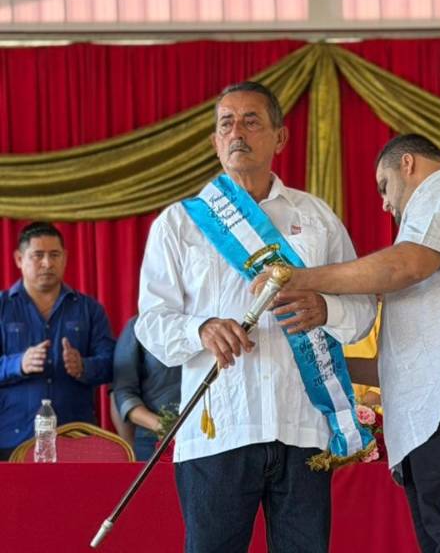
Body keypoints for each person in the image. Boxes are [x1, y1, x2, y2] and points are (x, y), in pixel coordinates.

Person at [252, 134, 440, 553]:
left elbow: (405, 266)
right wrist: (323, 362)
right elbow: (399, 361)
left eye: (384, 186)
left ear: (407, 164)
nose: (385, 205)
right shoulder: (436, 227)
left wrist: (298, 277)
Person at [135, 82, 375, 553]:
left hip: (304, 427)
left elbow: (364, 309)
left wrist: (326, 308)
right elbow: (151, 321)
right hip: (219, 428)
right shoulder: (180, 223)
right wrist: (200, 330)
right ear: (214, 142)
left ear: (280, 138)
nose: (237, 132)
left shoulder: (318, 217)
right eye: (226, 124)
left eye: (251, 121)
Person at [0, 222, 114, 460]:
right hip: (12, 440)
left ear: (65, 258)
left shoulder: (90, 309)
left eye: (54, 255)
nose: (47, 263)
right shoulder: (2, 308)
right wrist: (18, 363)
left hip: (75, 437)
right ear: (19, 259)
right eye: (37, 255)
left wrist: (84, 366)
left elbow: (112, 364)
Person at [112, 315, 181, 460]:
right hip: (153, 439)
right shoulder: (137, 327)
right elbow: (124, 393)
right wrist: (163, 426)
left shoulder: (210, 326)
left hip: (205, 435)